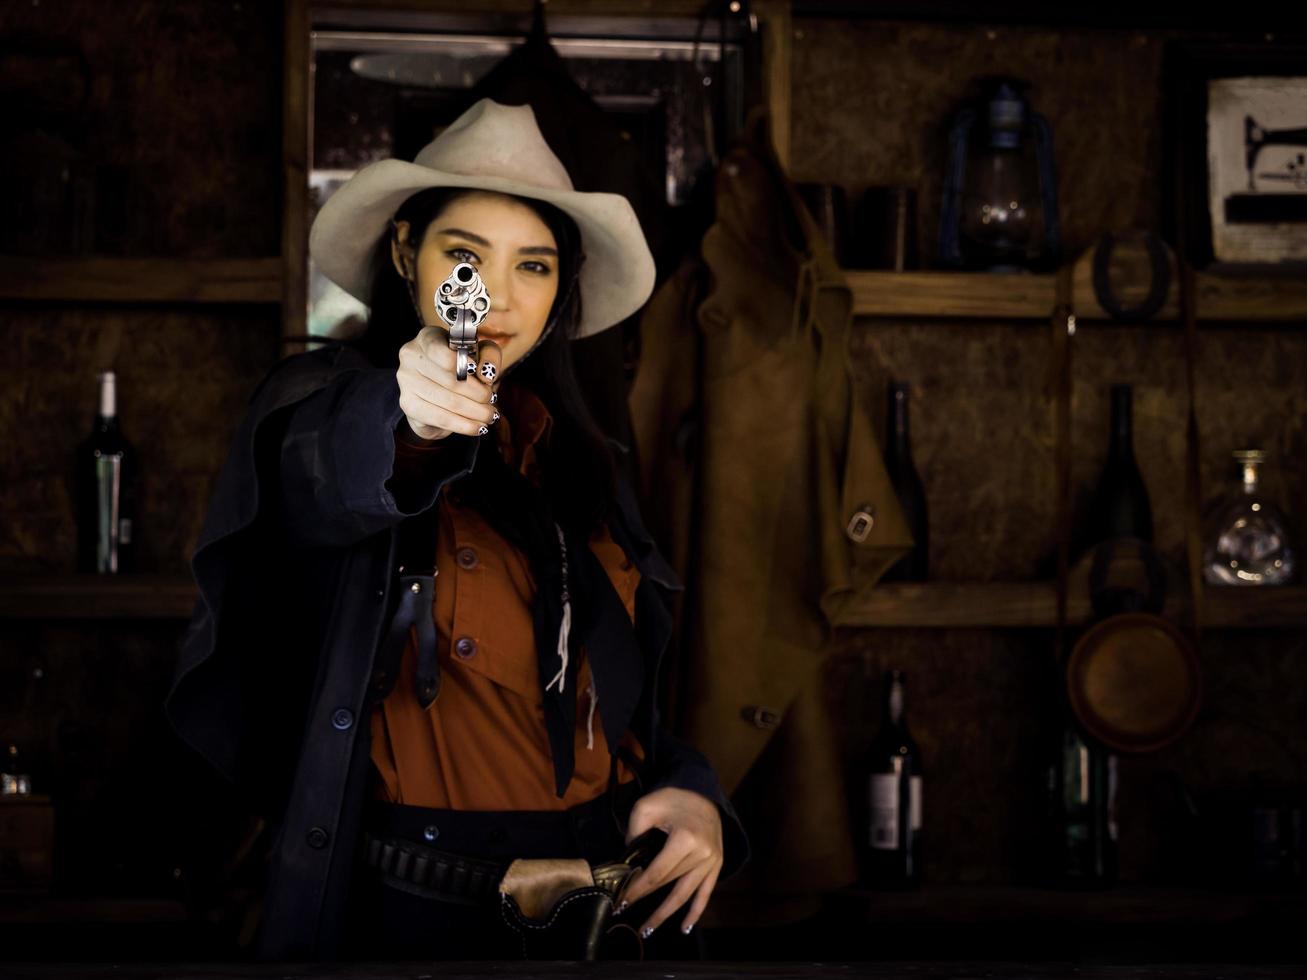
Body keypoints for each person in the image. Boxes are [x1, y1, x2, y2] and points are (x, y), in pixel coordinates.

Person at [164, 98, 748, 962]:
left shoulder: (579, 462)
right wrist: (410, 419)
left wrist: (691, 791)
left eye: (535, 266)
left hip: (596, 912)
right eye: (466, 256)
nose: (500, 297)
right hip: (410, 920)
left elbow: (617, 701)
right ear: (408, 252)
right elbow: (334, 472)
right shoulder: (325, 411)